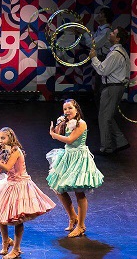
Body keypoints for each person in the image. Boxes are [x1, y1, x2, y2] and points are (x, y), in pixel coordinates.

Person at [0, 127, 55, 259]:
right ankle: (6, 241)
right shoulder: (3, 151)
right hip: (9, 184)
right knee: (0, 215)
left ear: (10, 138)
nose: (0, 141)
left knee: (18, 218)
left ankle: (16, 249)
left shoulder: (15, 150)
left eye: (3, 138)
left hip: (21, 185)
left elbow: (7, 167)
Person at [47, 99, 104, 238]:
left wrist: (54, 135)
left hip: (79, 157)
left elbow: (70, 139)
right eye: (65, 109)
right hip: (67, 156)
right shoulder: (66, 122)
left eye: (70, 108)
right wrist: (58, 126)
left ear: (76, 109)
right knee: (58, 188)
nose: (67, 111)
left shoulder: (81, 123)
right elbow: (60, 133)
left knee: (79, 192)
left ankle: (81, 226)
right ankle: (73, 216)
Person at [90, 26, 131, 155]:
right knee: (108, 116)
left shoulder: (115, 54)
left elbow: (102, 70)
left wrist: (93, 57)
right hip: (115, 87)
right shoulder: (118, 52)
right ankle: (120, 141)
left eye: (113, 33)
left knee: (104, 117)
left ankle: (107, 147)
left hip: (112, 88)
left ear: (117, 39)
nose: (110, 33)